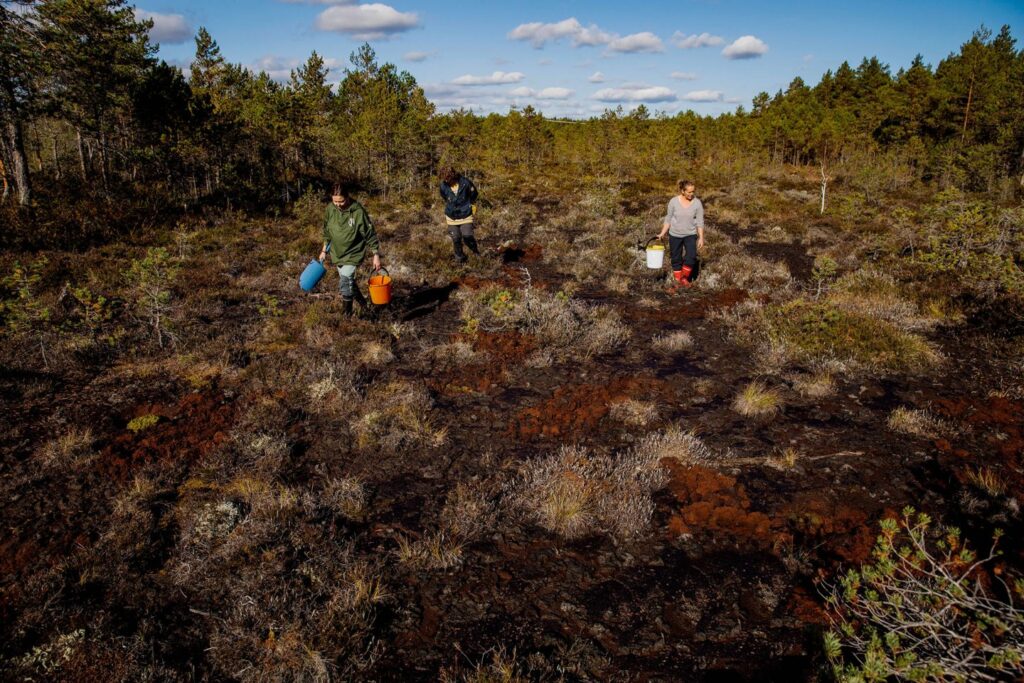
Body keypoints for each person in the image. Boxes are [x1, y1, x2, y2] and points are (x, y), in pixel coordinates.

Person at [319, 182, 382, 316]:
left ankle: (346, 316)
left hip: (353, 253)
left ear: (347, 197)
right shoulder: (330, 209)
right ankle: (365, 306)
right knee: (349, 282)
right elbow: (327, 231)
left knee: (345, 281)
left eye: (341, 201)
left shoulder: (357, 211)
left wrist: (375, 254)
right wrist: (324, 250)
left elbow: (369, 233)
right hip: (337, 253)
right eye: (335, 201)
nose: (338, 204)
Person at [657, 179, 705, 288]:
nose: (691, 194)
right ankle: (678, 282)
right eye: (689, 192)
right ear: (682, 191)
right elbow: (668, 219)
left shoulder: (697, 203)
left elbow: (700, 222)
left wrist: (701, 238)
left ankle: (684, 278)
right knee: (676, 258)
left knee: (691, 257)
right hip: (675, 235)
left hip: (690, 234)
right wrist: (662, 233)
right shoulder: (673, 202)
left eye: (693, 192)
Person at [439, 167, 479, 263]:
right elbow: (444, 197)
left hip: (466, 214)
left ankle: (476, 253)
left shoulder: (465, 183)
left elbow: (474, 194)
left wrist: (470, 204)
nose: (446, 180)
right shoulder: (443, 186)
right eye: (444, 178)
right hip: (451, 216)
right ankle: (460, 259)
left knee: (467, 236)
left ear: (452, 176)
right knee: (456, 238)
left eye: (447, 178)